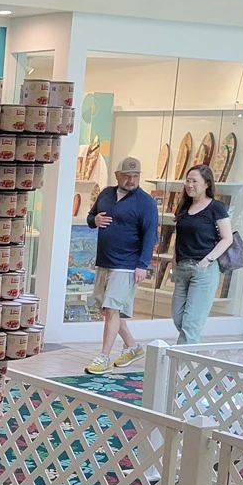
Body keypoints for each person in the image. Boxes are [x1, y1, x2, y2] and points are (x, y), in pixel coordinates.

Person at [83, 157, 157, 374]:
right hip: (104, 261)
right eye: (127, 175)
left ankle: (104, 356)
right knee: (107, 309)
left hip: (126, 264)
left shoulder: (145, 202)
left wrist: (143, 265)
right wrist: (94, 220)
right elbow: (90, 217)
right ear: (117, 175)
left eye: (135, 176)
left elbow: (150, 235)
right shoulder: (106, 194)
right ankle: (133, 347)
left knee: (113, 308)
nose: (131, 180)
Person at [171, 165, 235, 344]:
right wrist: (175, 265)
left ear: (207, 184)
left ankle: (182, 367)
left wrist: (207, 261)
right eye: (188, 181)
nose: (190, 185)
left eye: (194, 181)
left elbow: (227, 238)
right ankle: (192, 356)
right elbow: (179, 238)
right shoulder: (184, 207)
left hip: (203, 270)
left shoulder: (216, 207)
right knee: (178, 318)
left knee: (191, 324)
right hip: (182, 269)